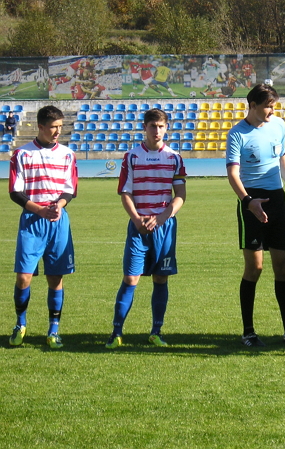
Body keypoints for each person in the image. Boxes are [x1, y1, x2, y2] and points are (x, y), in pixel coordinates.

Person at [226, 83, 285, 347]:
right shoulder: (237, 134)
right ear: (253, 105)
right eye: (268, 106)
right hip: (251, 201)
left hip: (276, 199)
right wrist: (248, 202)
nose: (272, 111)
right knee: (255, 267)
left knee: (282, 266)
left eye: (273, 106)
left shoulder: (278, 125)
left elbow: (282, 159)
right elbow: (233, 174)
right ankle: (248, 332)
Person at [105, 108, 187, 349]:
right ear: (145, 127)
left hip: (164, 226)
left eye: (161, 126)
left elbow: (180, 195)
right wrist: (136, 219)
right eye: (153, 126)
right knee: (131, 278)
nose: (157, 131)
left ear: (167, 128)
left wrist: (162, 217)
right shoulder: (132, 157)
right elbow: (125, 192)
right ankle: (116, 332)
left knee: (161, 278)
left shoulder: (174, 157)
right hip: (138, 226)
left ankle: (156, 332)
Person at [8, 105, 78, 349]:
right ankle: (20, 324)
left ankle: (53, 330)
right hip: (32, 222)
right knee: (23, 277)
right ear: (40, 126)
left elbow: (70, 189)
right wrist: (39, 209)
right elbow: (15, 192)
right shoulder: (22, 154)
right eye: (53, 127)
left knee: (55, 278)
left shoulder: (68, 154)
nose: (58, 131)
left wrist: (59, 205)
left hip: (58, 221)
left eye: (60, 126)